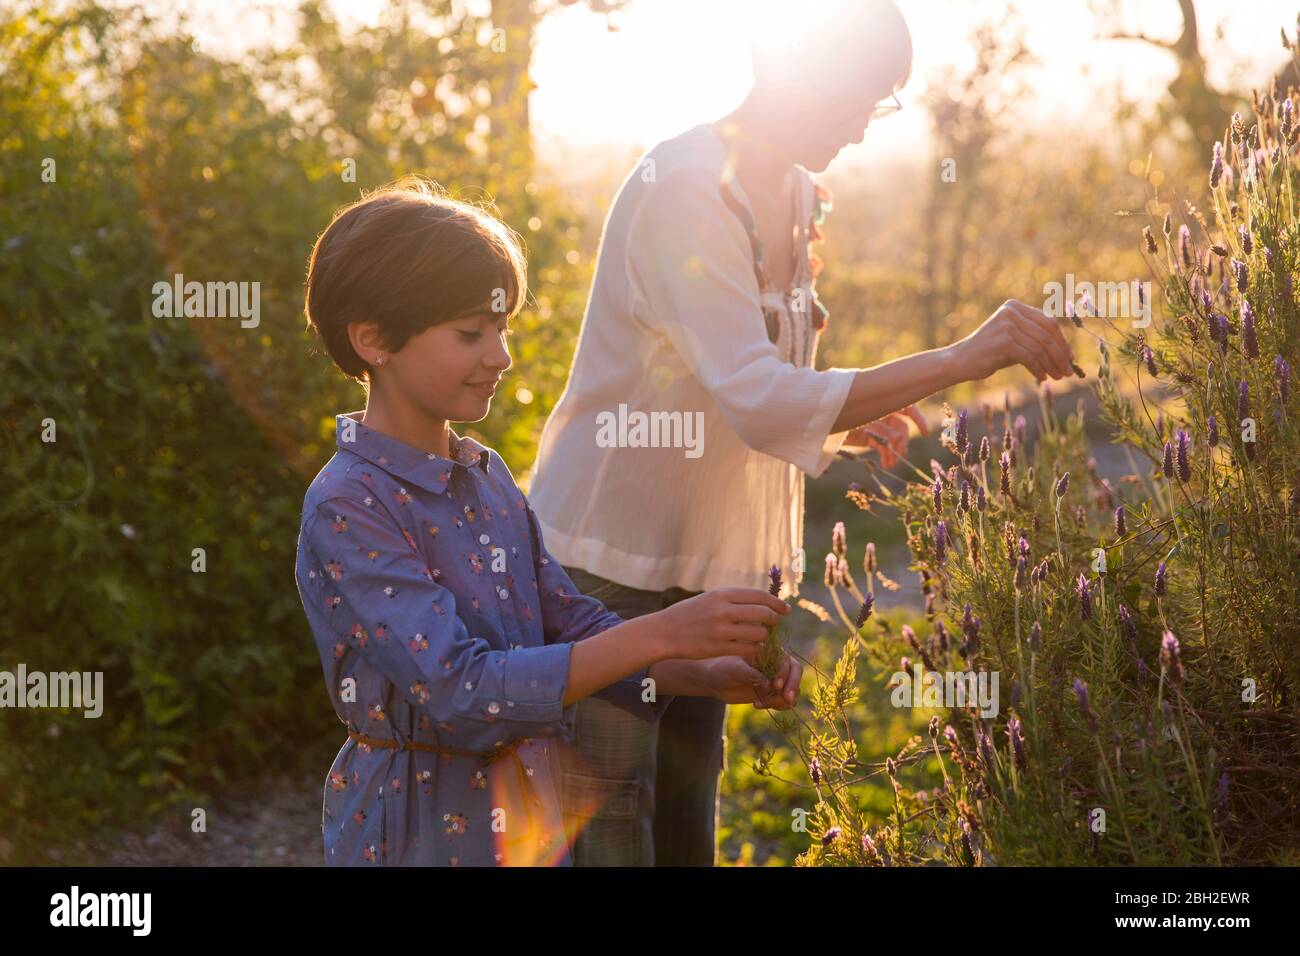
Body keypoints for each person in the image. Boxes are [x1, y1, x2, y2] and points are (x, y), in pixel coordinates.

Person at [527, 0, 1076, 867]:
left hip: (712, 568)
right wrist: (964, 356)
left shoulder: (792, 191)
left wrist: (843, 432)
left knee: (683, 829)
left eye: (881, 103)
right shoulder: (685, 191)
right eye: (860, 98)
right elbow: (758, 395)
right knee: (610, 838)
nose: (864, 129)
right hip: (611, 564)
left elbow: (751, 375)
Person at [293, 178, 802, 866]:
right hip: (416, 828)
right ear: (374, 339)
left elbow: (573, 626)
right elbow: (461, 689)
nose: (500, 356)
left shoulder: (487, 476)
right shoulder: (351, 503)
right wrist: (663, 629)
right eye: (470, 333)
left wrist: (697, 672)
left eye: (501, 329)